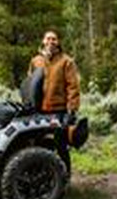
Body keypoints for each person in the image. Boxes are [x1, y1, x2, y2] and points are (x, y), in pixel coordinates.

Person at [28, 30, 81, 174]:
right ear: (43, 41)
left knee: (60, 145)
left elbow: (73, 86)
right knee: (39, 145)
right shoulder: (36, 61)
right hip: (39, 111)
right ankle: (44, 176)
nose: (51, 42)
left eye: (54, 39)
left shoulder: (66, 61)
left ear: (58, 42)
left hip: (59, 111)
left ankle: (65, 176)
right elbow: (30, 84)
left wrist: (72, 110)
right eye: (48, 39)